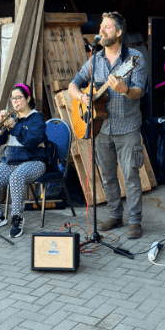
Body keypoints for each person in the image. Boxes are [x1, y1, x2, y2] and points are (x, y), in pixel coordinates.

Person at [68, 12, 148, 239]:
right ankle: (115, 215)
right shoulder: (95, 59)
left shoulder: (135, 59)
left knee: (131, 176)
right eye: (101, 26)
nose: (101, 30)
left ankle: (134, 221)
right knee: (107, 175)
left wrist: (125, 90)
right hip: (101, 127)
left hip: (127, 127)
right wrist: (81, 98)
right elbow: (73, 85)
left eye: (108, 27)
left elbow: (139, 91)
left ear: (119, 32)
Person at [0, 83, 47, 238]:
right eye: (13, 99)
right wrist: (3, 126)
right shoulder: (12, 119)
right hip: (11, 162)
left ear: (28, 98)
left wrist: (15, 126)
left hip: (34, 162)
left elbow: (32, 141)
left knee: (16, 178)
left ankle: (17, 218)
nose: (16, 102)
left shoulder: (36, 118)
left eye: (19, 98)